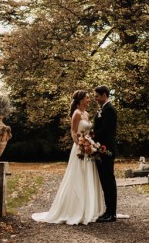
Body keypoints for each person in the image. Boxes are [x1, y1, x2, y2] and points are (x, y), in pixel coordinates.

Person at [31, 90, 105, 225]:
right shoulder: (76, 114)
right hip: (79, 149)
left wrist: (91, 144)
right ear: (80, 100)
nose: (89, 100)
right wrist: (80, 146)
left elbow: (88, 132)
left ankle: (90, 208)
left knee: (89, 176)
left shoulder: (87, 114)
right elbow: (73, 132)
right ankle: (75, 210)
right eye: (87, 98)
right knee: (78, 177)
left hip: (88, 148)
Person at [93, 85, 118, 222]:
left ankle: (111, 213)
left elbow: (106, 131)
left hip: (106, 149)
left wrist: (91, 137)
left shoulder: (109, 110)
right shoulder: (103, 109)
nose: (95, 98)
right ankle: (108, 211)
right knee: (105, 181)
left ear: (104, 95)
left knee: (108, 181)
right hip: (101, 149)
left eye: (97, 96)